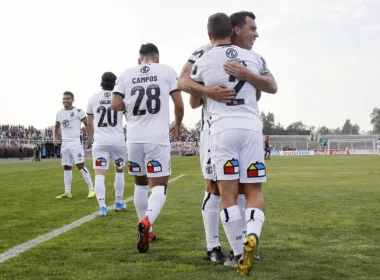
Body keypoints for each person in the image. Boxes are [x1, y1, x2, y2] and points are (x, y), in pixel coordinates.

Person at [179, 10, 276, 263]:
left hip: (225, 128)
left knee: (234, 192)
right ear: (234, 29)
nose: (255, 34)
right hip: (216, 129)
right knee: (215, 188)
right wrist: (208, 90)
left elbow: (264, 90)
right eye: (252, 29)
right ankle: (216, 246)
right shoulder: (202, 52)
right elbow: (184, 82)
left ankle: (241, 247)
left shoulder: (247, 58)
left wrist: (247, 78)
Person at [112, 43, 184, 253]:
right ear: (157, 59)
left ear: (139, 59)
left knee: (140, 185)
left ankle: (147, 230)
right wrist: (177, 124)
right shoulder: (166, 70)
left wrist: (133, 107)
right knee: (159, 186)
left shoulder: (126, 74)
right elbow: (179, 104)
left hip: (133, 138)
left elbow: (115, 104)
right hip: (157, 138)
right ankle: (146, 221)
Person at [86, 72, 128, 216]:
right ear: (115, 83)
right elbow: (129, 118)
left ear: (101, 82)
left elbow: (89, 124)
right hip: (117, 140)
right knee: (120, 170)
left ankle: (102, 206)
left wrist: (90, 139)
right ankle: (118, 202)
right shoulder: (120, 98)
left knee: (99, 174)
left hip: (100, 141)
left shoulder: (93, 99)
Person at [54, 91, 95, 199]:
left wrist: (90, 138)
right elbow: (57, 127)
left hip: (75, 143)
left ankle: (91, 189)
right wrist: (55, 137)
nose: (65, 100)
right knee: (67, 167)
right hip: (65, 144)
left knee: (80, 166)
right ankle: (67, 192)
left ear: (72, 100)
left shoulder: (78, 112)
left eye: (67, 99)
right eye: (64, 99)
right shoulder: (59, 113)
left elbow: (88, 125)